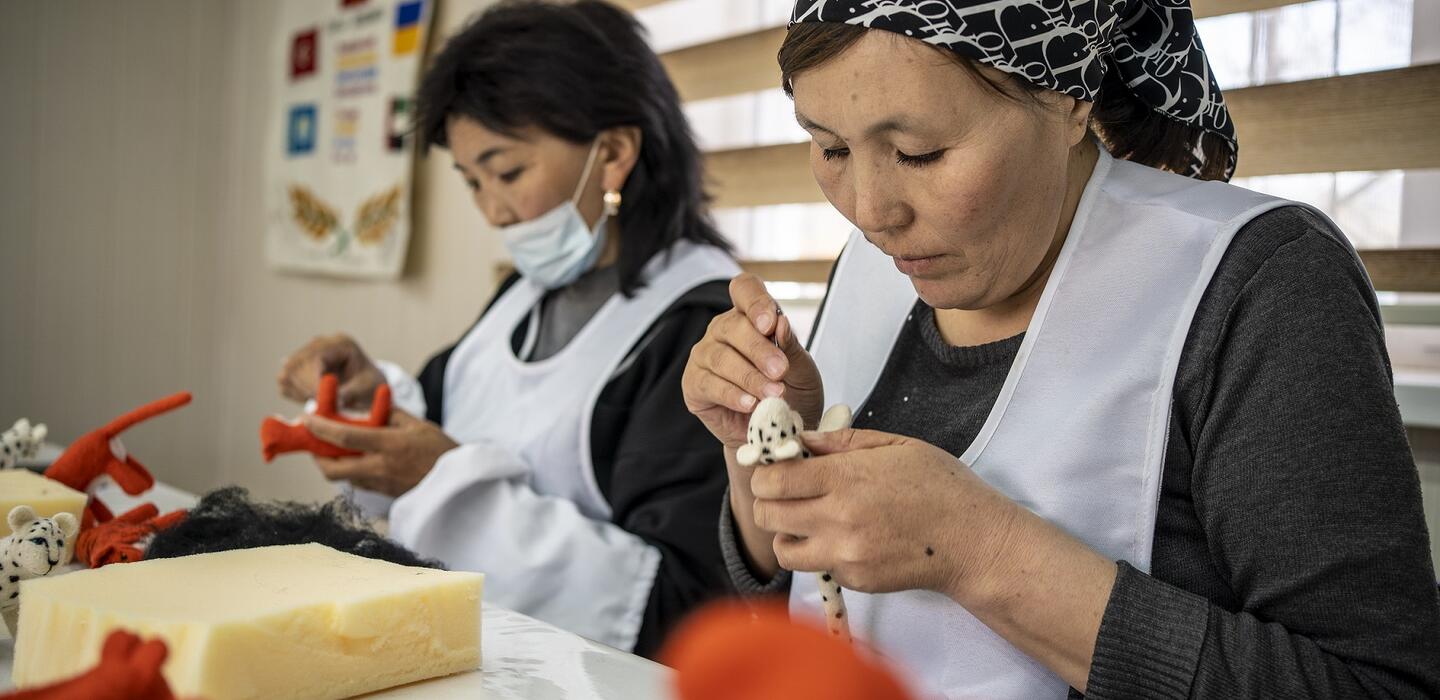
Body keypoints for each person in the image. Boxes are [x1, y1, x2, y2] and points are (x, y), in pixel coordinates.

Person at [682, 1, 1440, 697]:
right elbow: (799, 604)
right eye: (830, 148)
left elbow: (1376, 687)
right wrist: (770, 448)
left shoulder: (1259, 281)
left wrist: (980, 549)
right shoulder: (878, 268)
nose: (872, 212)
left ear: (1068, 98)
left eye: (918, 152)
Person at [275, 0, 739, 657]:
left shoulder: (702, 332)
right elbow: (449, 427)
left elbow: (683, 609)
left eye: (508, 172)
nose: (492, 211)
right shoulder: (525, 296)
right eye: (472, 182)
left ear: (611, 153)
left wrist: (438, 485)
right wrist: (371, 402)